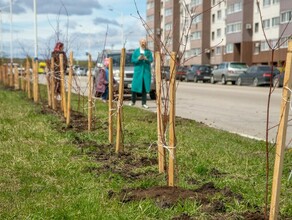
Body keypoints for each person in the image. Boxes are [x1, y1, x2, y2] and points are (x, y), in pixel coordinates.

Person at [129, 38, 153, 109]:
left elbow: (151, 60)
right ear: (140, 43)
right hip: (138, 72)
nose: (143, 43)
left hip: (146, 72)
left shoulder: (148, 52)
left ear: (146, 43)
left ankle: (144, 103)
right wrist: (138, 59)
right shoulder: (136, 51)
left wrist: (146, 59)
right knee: (134, 86)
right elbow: (133, 60)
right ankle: (133, 101)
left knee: (144, 88)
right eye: (142, 42)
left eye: (144, 42)